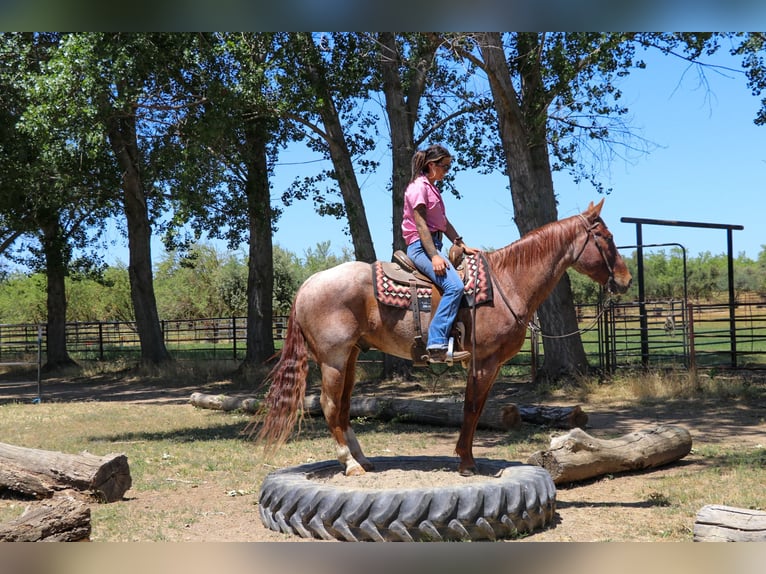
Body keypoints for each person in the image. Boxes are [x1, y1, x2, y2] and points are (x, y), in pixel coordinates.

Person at [401, 144, 478, 364]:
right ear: (431, 165)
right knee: (454, 286)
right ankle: (436, 343)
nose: (447, 171)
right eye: (444, 167)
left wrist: (461, 244)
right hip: (420, 246)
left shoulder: (432, 188)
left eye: (448, 167)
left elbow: (443, 223)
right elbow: (421, 224)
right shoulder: (418, 187)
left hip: (433, 243)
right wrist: (434, 255)